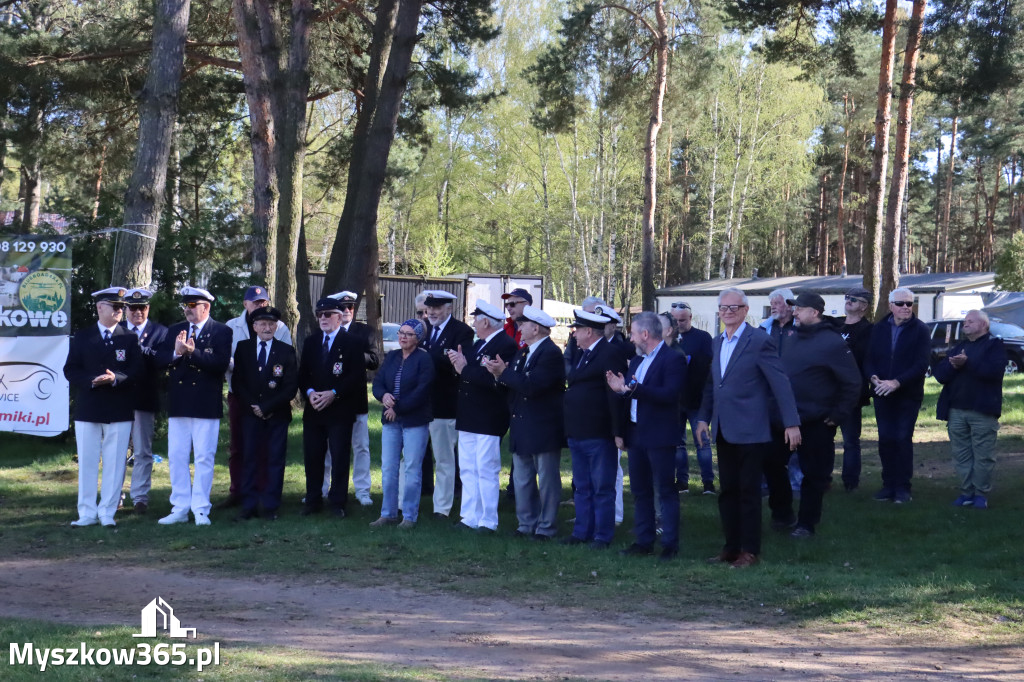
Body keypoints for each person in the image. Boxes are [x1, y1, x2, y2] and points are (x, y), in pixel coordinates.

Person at [696, 288, 800, 568]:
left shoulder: (758, 340)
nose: (728, 312)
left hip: (752, 429)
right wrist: (703, 418)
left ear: (745, 310)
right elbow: (712, 384)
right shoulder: (718, 342)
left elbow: (780, 383)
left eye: (734, 308)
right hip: (723, 429)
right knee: (727, 490)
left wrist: (791, 423)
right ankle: (730, 547)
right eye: (723, 308)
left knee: (749, 491)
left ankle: (749, 550)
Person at [606, 311, 687, 561]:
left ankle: (670, 544)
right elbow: (631, 396)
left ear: (645, 334)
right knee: (640, 491)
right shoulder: (637, 362)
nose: (630, 339)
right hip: (636, 432)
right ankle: (644, 541)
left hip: (660, 434)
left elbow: (670, 395)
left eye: (632, 333)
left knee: (665, 490)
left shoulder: (672, 359)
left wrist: (634, 389)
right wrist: (622, 392)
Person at [780, 293, 861, 538]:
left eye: (799, 308)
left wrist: (837, 415)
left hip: (816, 421)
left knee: (814, 475)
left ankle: (806, 523)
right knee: (773, 467)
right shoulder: (791, 337)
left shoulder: (832, 342)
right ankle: (782, 515)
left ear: (814, 312)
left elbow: (853, 383)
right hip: (785, 419)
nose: (794, 312)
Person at [64, 287, 142, 527]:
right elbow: (70, 369)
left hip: (118, 408)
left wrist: (115, 379)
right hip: (89, 406)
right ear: (99, 307)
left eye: (122, 307)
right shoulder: (83, 336)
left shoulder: (128, 337)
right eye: (115, 307)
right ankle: (86, 513)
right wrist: (91, 381)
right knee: (87, 461)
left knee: (115, 462)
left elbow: (136, 371)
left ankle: (107, 512)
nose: (120, 311)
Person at [155, 286, 233, 526]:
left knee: (203, 457)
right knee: (177, 456)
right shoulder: (175, 330)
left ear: (205, 307)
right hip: (179, 401)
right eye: (185, 306)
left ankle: (200, 508)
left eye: (191, 306)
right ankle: (179, 507)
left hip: (205, 402)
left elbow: (220, 363)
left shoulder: (221, 331)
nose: (187, 311)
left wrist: (192, 352)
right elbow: (160, 359)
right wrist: (177, 355)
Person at [488, 305, 564, 540]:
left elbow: (533, 386)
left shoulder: (550, 353)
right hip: (522, 424)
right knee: (522, 479)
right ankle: (525, 524)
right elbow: (515, 385)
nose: (518, 328)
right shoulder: (523, 353)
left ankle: (546, 527)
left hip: (542, 426)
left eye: (522, 325)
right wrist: (497, 376)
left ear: (536, 328)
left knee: (547, 480)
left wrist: (505, 374)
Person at [448, 299, 517, 532]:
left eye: (476, 320)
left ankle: (488, 520)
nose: (474, 324)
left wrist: (464, 369)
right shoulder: (480, 344)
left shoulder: (505, 345)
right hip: (469, 416)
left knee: (485, 469)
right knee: (467, 468)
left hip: (488, 417)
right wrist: (463, 367)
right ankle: (469, 516)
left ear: (486, 321)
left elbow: (494, 381)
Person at [560, 308, 626, 549]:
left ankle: (602, 535)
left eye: (577, 330)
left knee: (602, 487)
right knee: (582, 486)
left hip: (599, 432)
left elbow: (614, 394)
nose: (573, 334)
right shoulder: (584, 353)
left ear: (589, 331)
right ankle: (581, 531)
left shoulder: (609, 353)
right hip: (579, 431)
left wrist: (618, 431)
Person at [297, 297, 366, 517]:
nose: (323, 319)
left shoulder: (353, 342)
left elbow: (356, 376)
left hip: (340, 410)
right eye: (320, 315)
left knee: (339, 456)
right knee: (313, 456)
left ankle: (337, 502)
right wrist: (310, 393)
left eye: (328, 314)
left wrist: (334, 393)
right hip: (314, 409)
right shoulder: (311, 341)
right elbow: (303, 374)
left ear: (339, 316)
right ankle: (313, 499)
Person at [224, 285, 291, 508]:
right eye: (255, 303)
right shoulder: (232, 327)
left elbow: (287, 371)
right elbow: (235, 371)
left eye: (263, 302)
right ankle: (240, 493)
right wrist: (252, 403)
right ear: (246, 304)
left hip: (274, 402)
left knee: (270, 452)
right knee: (240, 448)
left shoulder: (280, 330)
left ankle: (266, 497)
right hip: (243, 399)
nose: (260, 306)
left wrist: (268, 404)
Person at [933, 310, 1007, 509]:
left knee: (983, 455)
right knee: (961, 454)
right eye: (965, 321)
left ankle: (981, 494)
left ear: (984, 325)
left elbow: (993, 373)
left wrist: (967, 363)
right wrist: (954, 366)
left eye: (970, 321)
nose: (965, 324)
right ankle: (966, 492)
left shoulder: (994, 346)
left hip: (982, 410)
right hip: (956, 410)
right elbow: (940, 375)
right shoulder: (959, 347)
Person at [864, 287, 930, 504]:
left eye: (909, 304)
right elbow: (869, 358)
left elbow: (921, 364)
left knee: (902, 438)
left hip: (907, 394)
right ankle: (888, 485)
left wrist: (897, 382)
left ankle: (903, 487)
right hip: (882, 392)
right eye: (901, 304)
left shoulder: (920, 330)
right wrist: (874, 378)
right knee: (886, 439)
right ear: (891, 305)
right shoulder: (879, 328)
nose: (905, 308)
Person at [371, 318, 435, 528]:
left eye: (408, 334)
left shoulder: (424, 359)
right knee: (389, 468)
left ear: (418, 338)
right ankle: (388, 513)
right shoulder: (392, 356)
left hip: (414, 421)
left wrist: (397, 408)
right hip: (391, 421)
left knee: (412, 469)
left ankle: (409, 516)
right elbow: (378, 382)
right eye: (401, 332)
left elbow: (422, 390)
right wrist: (384, 396)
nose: (403, 337)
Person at [420, 289, 474, 518]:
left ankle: (441, 508)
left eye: (437, 308)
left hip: (446, 404)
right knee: (412, 458)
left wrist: (427, 355)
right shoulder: (422, 328)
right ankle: (409, 503)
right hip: (421, 402)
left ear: (449, 308)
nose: (431, 312)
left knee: (444, 459)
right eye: (429, 307)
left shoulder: (461, 331)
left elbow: (458, 365)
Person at [326, 290, 380, 508]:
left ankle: (362, 490)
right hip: (330, 399)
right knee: (328, 448)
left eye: (351, 307)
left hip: (355, 398)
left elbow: (375, 360)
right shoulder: (327, 331)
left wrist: (352, 352)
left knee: (361, 446)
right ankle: (323, 487)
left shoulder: (364, 332)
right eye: (343, 308)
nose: (348, 311)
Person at [121, 287, 168, 515]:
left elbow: (163, 361)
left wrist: (143, 350)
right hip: (117, 398)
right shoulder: (116, 329)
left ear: (148, 308)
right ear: (126, 309)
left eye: (142, 308)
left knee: (142, 451)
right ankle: (115, 494)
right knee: (116, 450)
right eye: (133, 308)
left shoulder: (160, 332)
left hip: (144, 397)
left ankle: (140, 497)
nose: (137, 312)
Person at [759, 287, 801, 527]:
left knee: (807, 463)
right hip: (771, 406)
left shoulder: (802, 330)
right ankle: (782, 512)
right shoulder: (764, 331)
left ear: (791, 305)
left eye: (777, 303)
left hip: (803, 403)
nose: (773, 307)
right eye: (771, 303)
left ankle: (808, 515)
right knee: (774, 461)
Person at [670, 301, 715, 495]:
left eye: (682, 319)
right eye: (675, 320)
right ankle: (682, 482)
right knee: (678, 444)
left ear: (690, 318)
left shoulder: (703, 338)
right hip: (674, 400)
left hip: (697, 399)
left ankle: (708, 483)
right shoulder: (667, 339)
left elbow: (710, 366)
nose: (679, 323)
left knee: (702, 443)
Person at [835, 286, 874, 492]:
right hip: (828, 392)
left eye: (854, 299)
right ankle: (822, 480)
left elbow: (867, 360)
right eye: (847, 297)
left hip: (851, 392)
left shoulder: (869, 331)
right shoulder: (835, 325)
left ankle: (851, 483)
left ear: (864, 306)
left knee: (850, 440)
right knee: (822, 439)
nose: (848, 301)